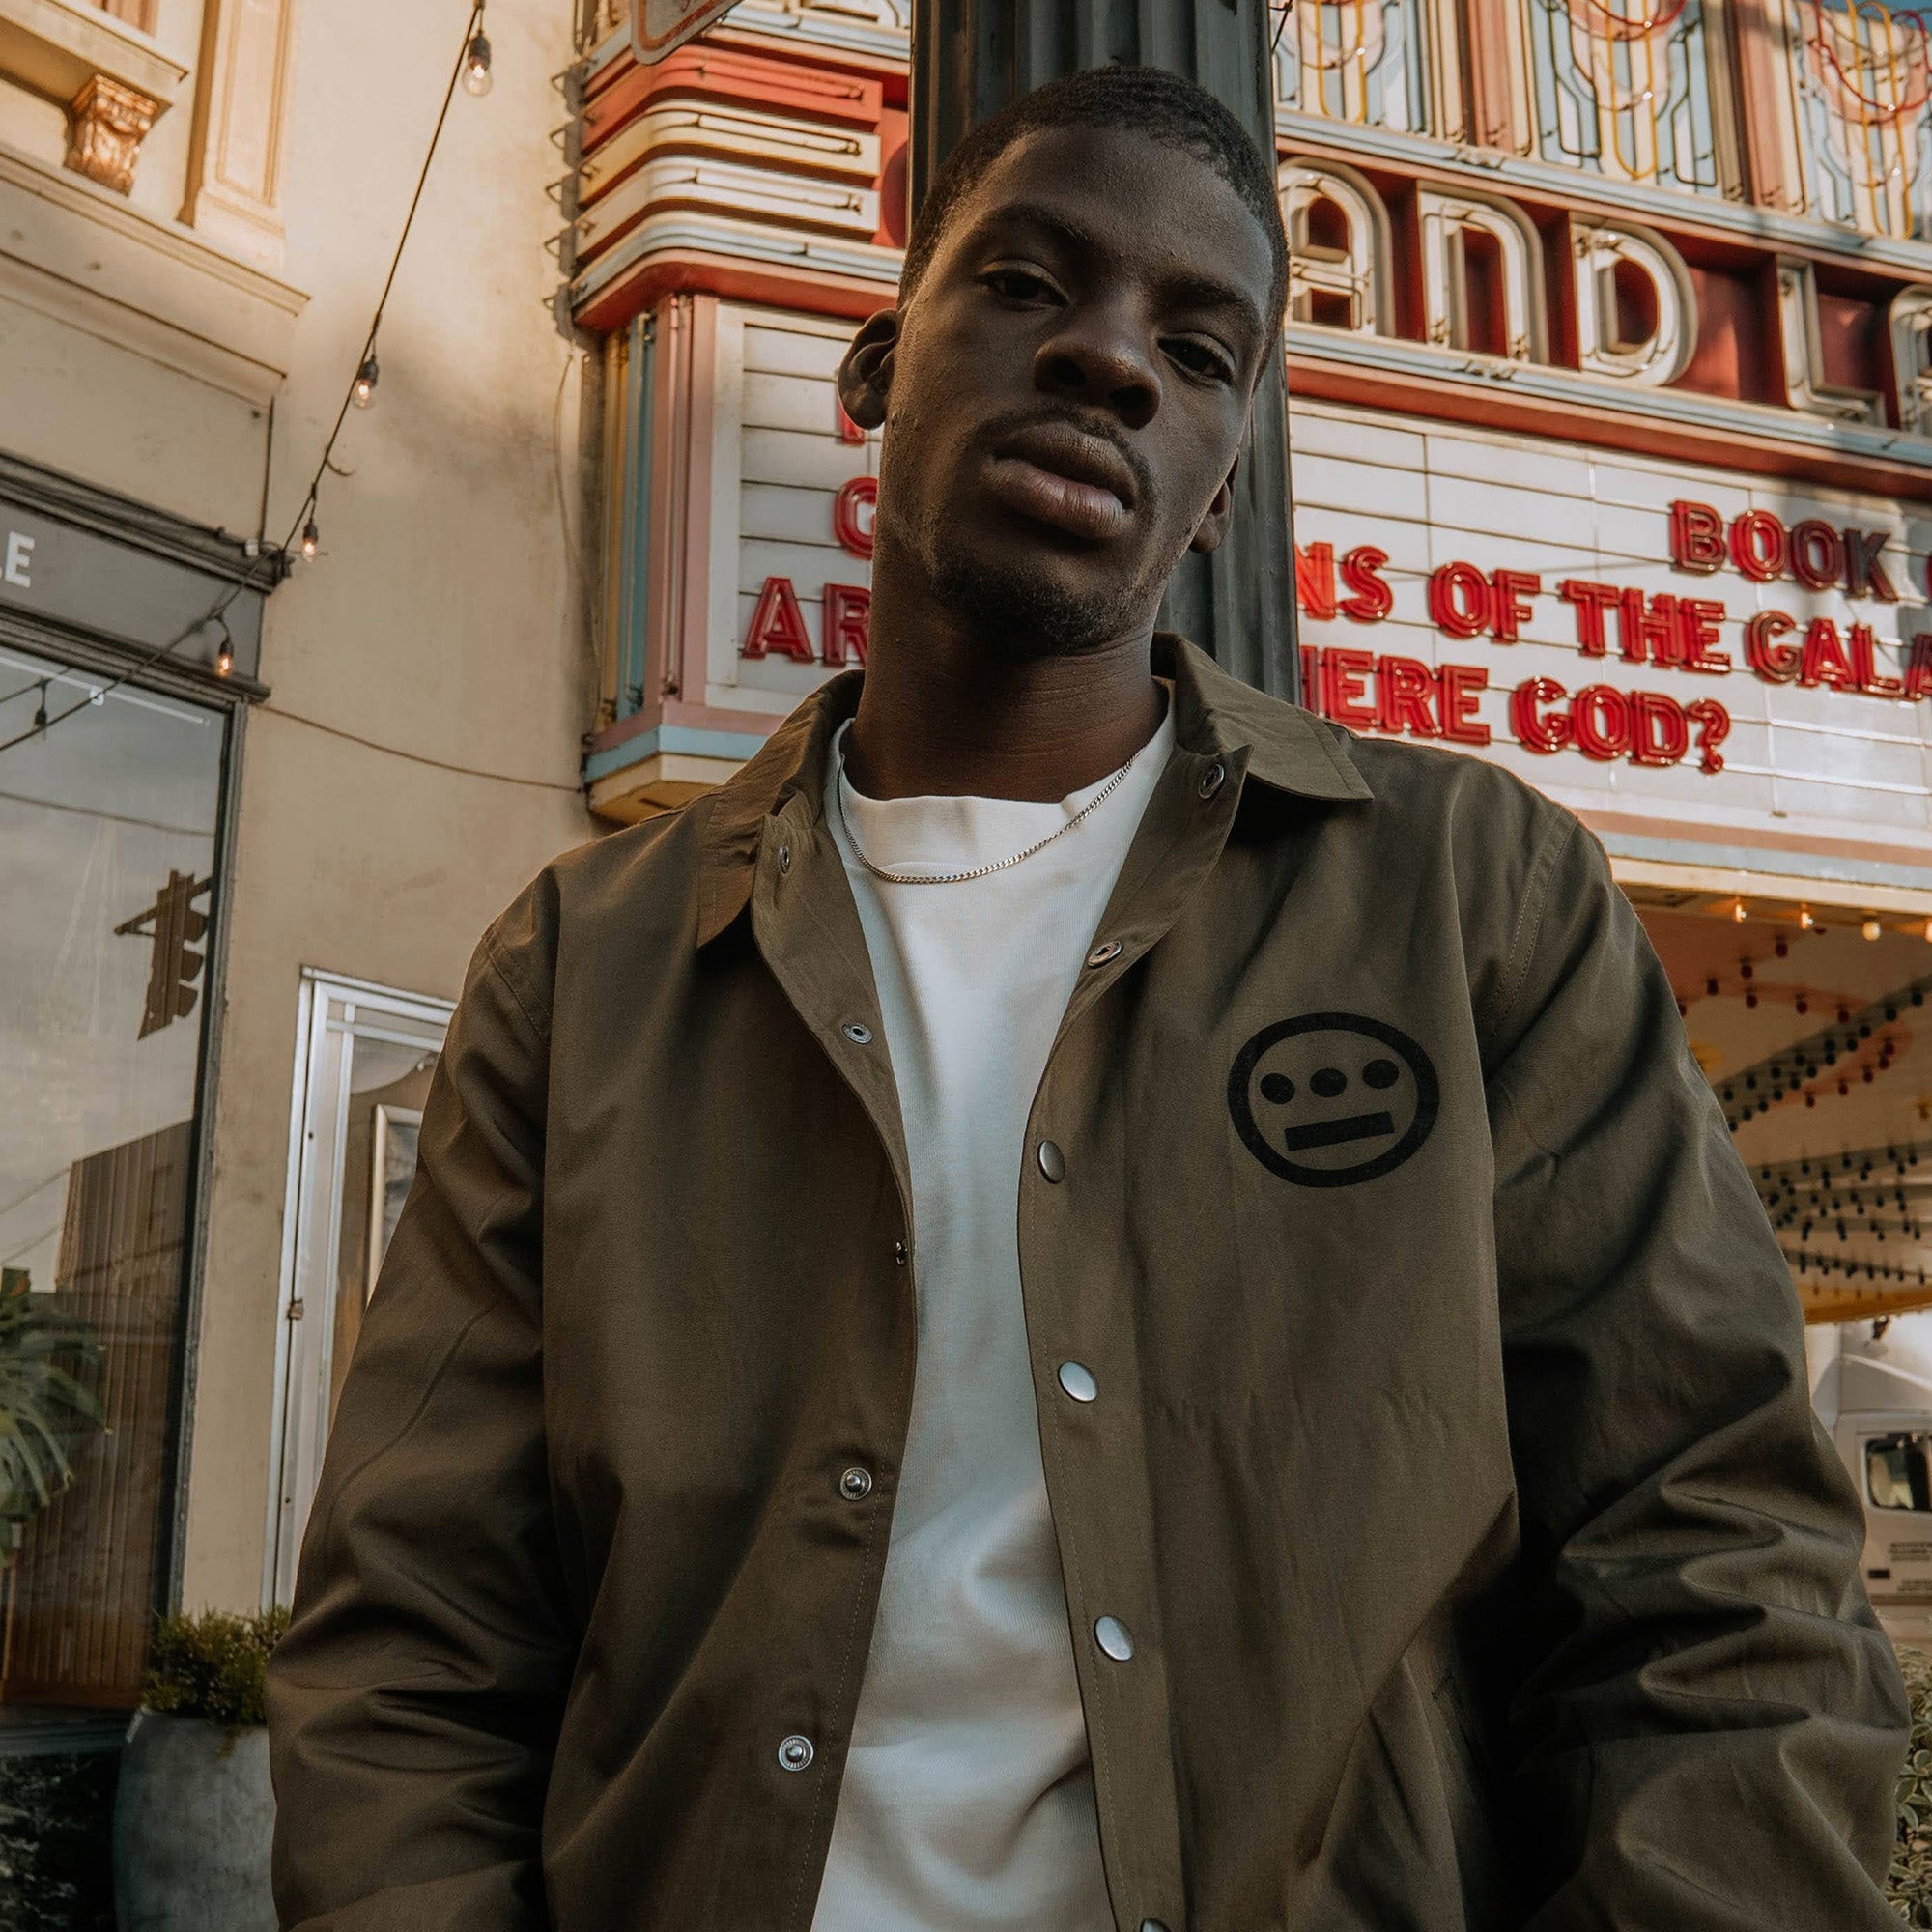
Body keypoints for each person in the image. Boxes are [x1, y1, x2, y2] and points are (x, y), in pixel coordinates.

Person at [266, 64, 1908, 1932]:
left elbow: (1717, 1576)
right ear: (879, 370)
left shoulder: (1471, 906)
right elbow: (415, 1650)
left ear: (1218, 492)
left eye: (1200, 353)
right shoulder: (586, 973)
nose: (1115, 362)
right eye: (1028, 286)